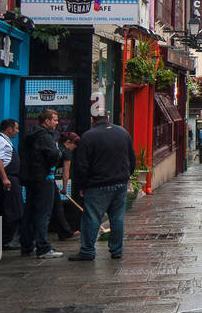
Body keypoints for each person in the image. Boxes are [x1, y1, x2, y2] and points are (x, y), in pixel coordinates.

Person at [69, 114, 136, 262]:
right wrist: (125, 176)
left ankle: (87, 250)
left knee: (92, 217)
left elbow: (82, 165)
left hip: (97, 184)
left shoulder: (88, 136)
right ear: (107, 117)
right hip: (120, 183)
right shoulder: (122, 132)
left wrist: (82, 185)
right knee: (117, 218)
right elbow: (132, 159)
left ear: (92, 119)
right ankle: (117, 250)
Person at [20, 110, 63, 258]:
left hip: (32, 179)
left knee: (30, 212)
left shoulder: (31, 135)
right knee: (43, 214)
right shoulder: (45, 137)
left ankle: (26, 245)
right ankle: (43, 247)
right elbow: (54, 154)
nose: (57, 123)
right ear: (47, 121)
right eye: (55, 120)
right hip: (44, 179)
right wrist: (56, 159)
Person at [0, 119, 22, 251]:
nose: (17, 131)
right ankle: (5, 240)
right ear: (9, 129)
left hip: (11, 177)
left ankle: (4, 239)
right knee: (11, 210)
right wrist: (4, 178)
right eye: (16, 128)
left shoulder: (5, 141)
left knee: (7, 208)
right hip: (8, 178)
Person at [49, 132, 81, 240]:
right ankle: (65, 232)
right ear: (68, 142)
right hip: (48, 180)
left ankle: (64, 232)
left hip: (45, 178)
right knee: (56, 207)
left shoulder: (55, 146)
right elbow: (66, 173)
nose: (73, 149)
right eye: (74, 146)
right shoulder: (66, 153)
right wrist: (64, 188)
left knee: (55, 207)